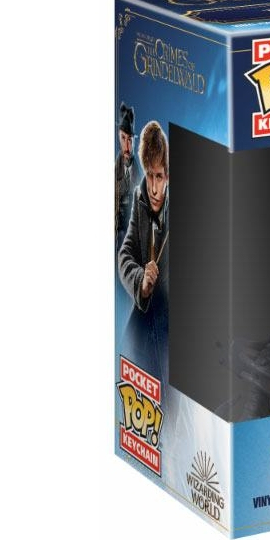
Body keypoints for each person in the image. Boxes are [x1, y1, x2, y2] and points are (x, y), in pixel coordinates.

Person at [118, 121, 170, 380]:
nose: (153, 188)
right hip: (142, 331)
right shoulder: (141, 199)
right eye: (149, 175)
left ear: (167, 176)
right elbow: (124, 255)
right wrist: (141, 281)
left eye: (158, 176)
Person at [114, 103, 138, 254]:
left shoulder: (140, 173)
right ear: (119, 136)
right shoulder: (114, 173)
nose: (127, 146)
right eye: (123, 138)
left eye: (130, 139)